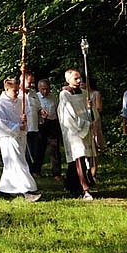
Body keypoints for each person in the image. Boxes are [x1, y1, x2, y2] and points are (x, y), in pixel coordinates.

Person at [0, 77, 40, 201]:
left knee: (12, 164)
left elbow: (27, 113)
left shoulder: (20, 101)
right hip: (9, 138)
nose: (17, 93)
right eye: (14, 91)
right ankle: (27, 190)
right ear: (7, 89)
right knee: (18, 163)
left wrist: (24, 120)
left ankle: (4, 189)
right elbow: (0, 122)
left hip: (20, 136)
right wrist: (17, 127)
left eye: (18, 90)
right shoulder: (0, 104)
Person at [57, 69, 96, 200]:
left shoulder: (85, 93)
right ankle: (86, 189)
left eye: (80, 78)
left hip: (86, 128)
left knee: (79, 160)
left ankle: (72, 185)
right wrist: (84, 124)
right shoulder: (65, 94)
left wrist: (91, 109)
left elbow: (92, 113)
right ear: (68, 80)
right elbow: (69, 115)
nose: (79, 81)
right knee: (79, 158)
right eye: (76, 78)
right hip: (73, 131)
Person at [36, 79, 62, 179]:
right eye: (43, 89)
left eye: (47, 89)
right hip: (41, 124)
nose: (45, 91)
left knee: (55, 148)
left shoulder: (53, 97)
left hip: (52, 123)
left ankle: (56, 173)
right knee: (40, 148)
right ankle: (37, 170)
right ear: (39, 88)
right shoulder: (36, 97)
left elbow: (57, 110)